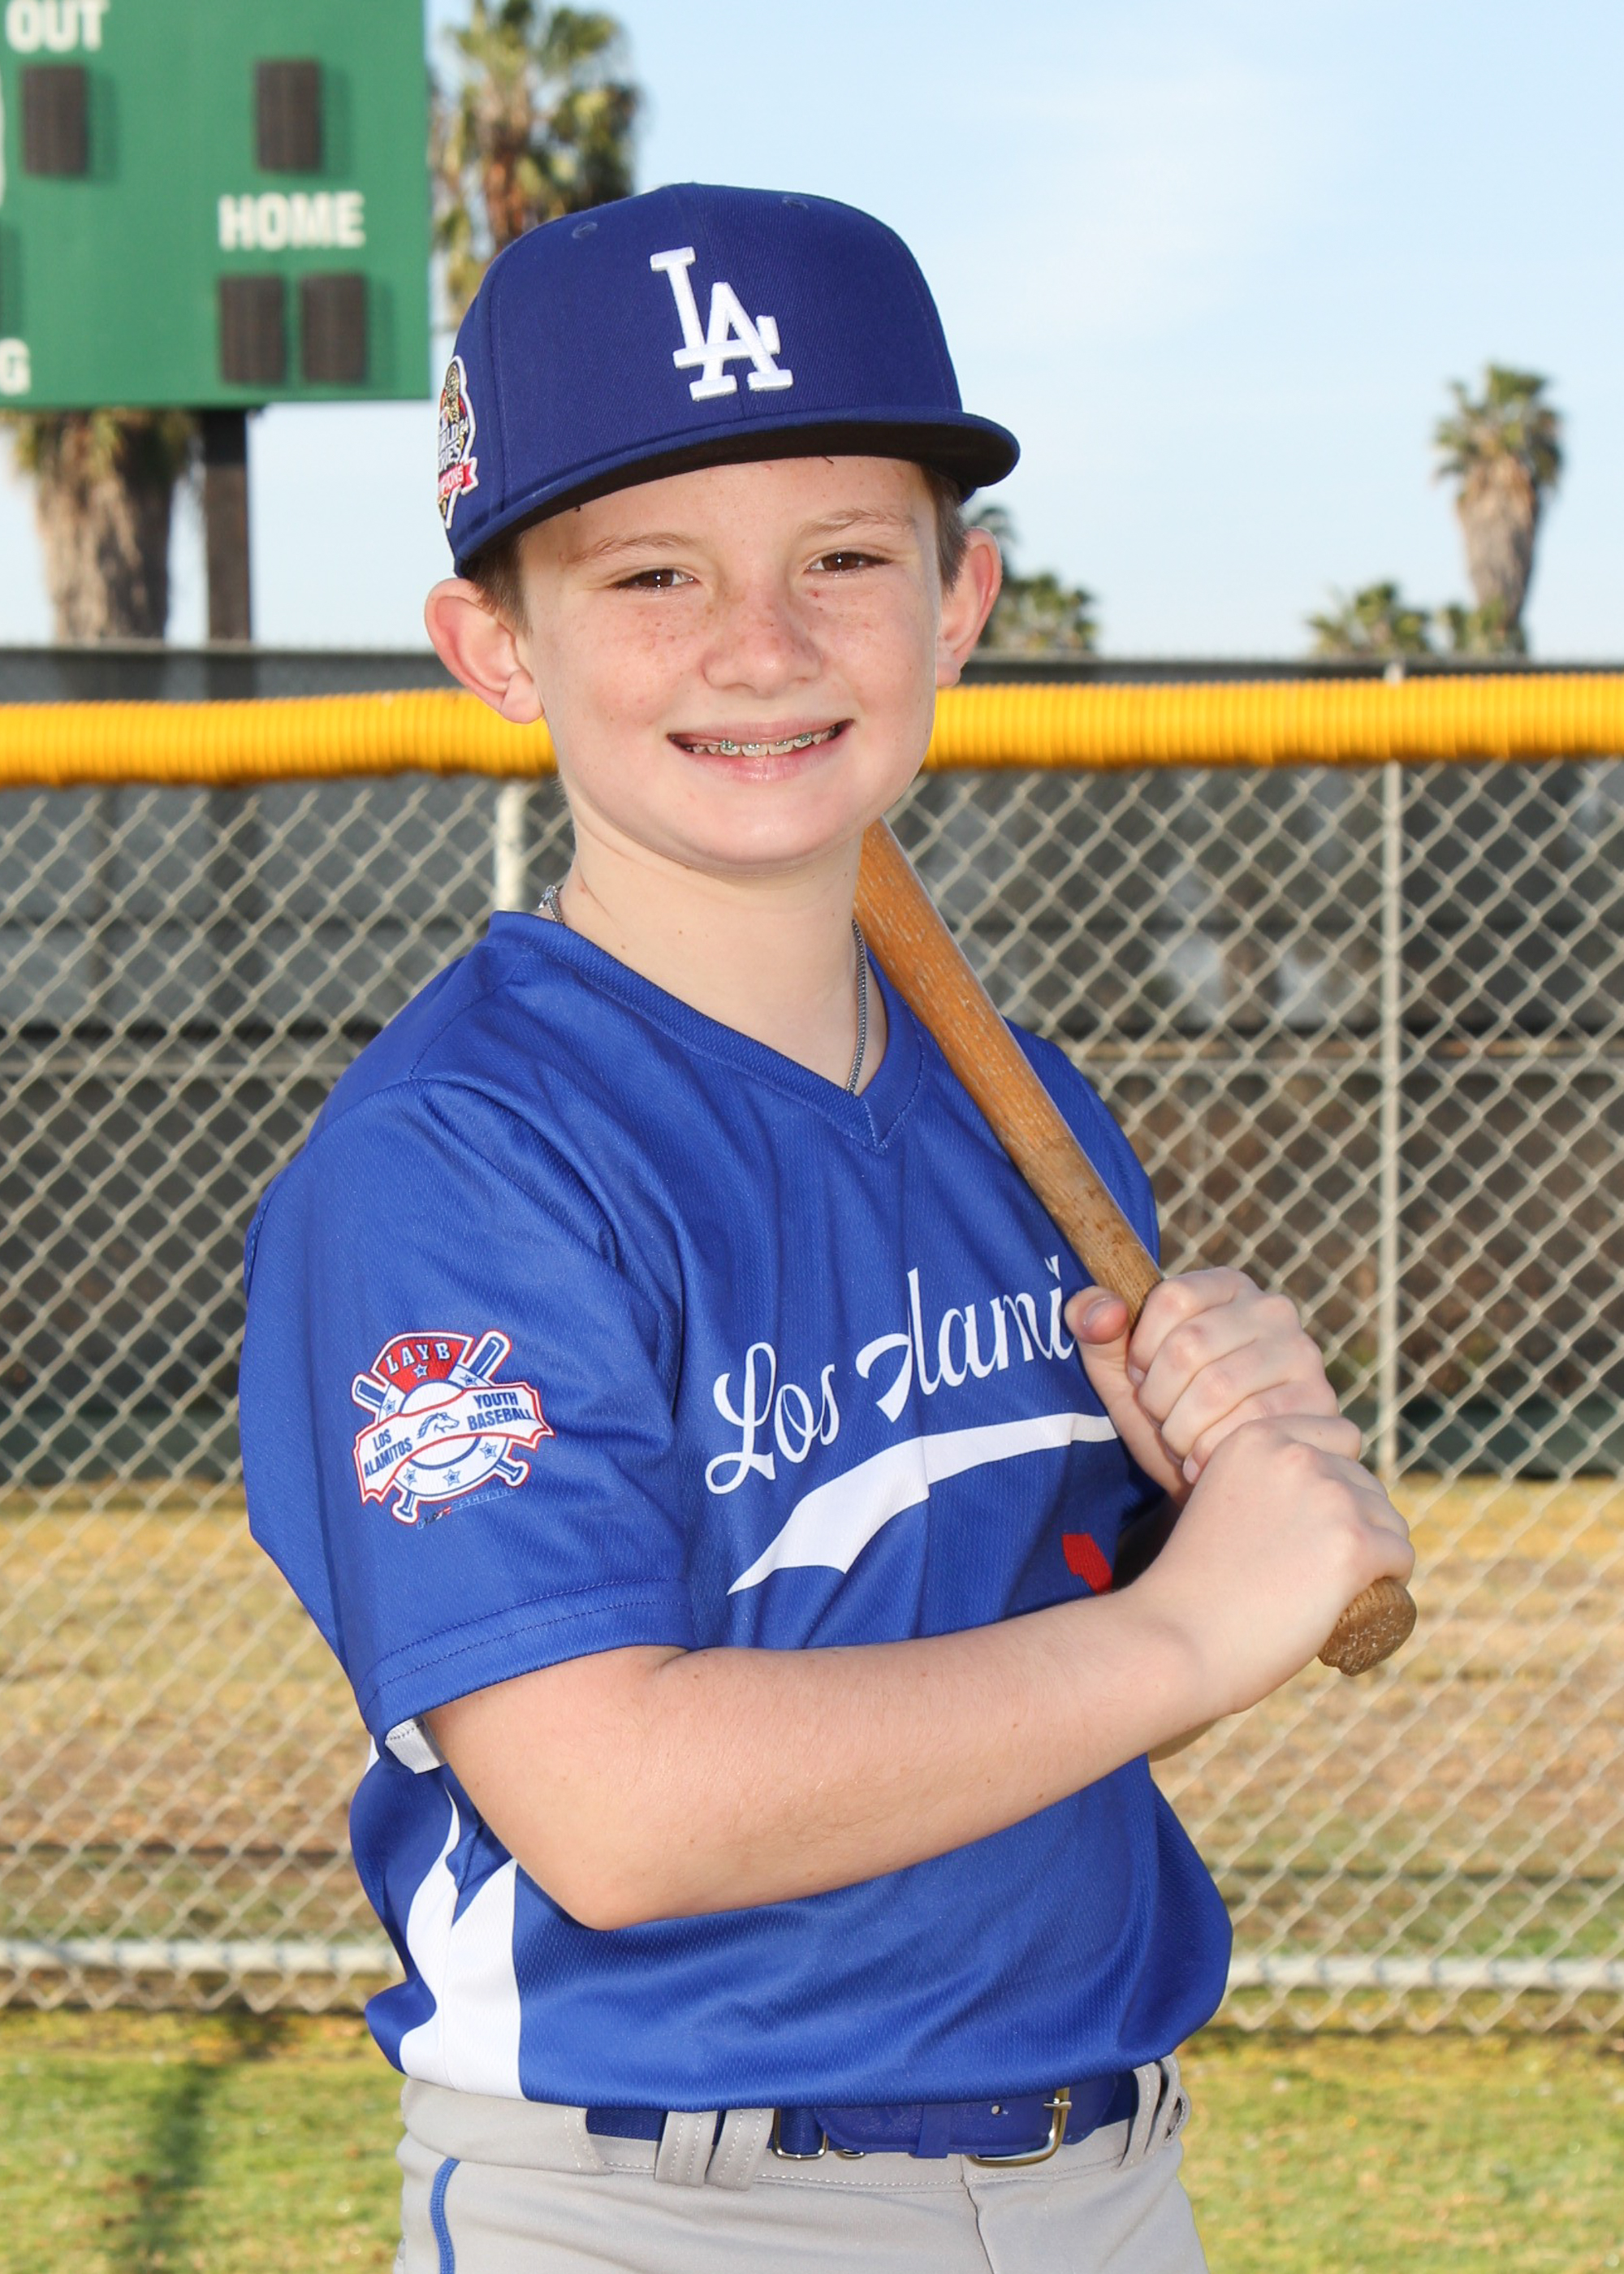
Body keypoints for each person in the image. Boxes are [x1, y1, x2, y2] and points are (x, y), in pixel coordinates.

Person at [240, 182, 1412, 2274]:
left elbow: (1055, 1691)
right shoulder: (460, 1161)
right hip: (655, 2199)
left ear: (959, 603)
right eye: (653, 572)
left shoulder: (1025, 1111)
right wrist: (1190, 1627)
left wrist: (1219, 1512)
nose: (763, 644)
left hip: (1102, 2177)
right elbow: (619, 1811)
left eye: (845, 558)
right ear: (495, 648)